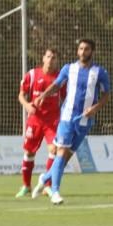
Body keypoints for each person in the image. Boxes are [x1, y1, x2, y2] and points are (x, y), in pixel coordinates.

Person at [31, 38, 111, 205]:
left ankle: (44, 178)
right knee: (61, 152)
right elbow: (56, 85)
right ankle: (55, 191)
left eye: (86, 49)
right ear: (77, 51)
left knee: (65, 158)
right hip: (67, 117)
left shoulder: (100, 72)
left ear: (92, 52)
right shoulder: (69, 68)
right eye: (80, 49)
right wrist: (42, 96)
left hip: (85, 121)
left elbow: (106, 95)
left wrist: (95, 108)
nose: (83, 52)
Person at [15, 48, 65, 198]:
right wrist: (27, 105)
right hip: (35, 120)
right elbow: (21, 95)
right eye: (48, 56)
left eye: (54, 58)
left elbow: (65, 98)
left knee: (55, 150)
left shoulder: (60, 79)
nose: (50, 60)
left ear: (57, 61)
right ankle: (26, 186)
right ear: (43, 58)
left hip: (52, 121)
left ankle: (47, 186)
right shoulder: (32, 75)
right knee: (29, 152)